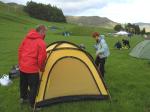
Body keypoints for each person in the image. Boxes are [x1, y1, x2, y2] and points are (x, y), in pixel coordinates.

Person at [18, 24, 47, 109]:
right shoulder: (41, 42)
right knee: (34, 87)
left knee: (23, 84)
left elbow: (20, 50)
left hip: (23, 67)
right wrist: (41, 68)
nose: (45, 34)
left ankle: (23, 98)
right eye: (44, 32)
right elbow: (42, 58)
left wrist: (20, 63)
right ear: (41, 31)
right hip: (32, 69)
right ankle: (33, 105)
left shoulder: (26, 38)